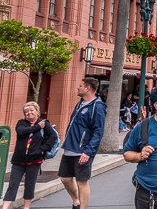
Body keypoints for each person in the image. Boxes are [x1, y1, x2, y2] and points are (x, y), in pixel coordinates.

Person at [59, 77, 106, 209]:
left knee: (81, 181)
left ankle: (82, 207)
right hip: (69, 148)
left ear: (87, 88)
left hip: (83, 150)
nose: (77, 88)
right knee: (65, 178)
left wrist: (88, 151)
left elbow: (98, 131)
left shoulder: (98, 106)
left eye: (80, 85)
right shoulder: (80, 103)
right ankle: (76, 202)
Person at [2, 102, 57, 209]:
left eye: (31, 110)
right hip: (19, 160)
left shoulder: (44, 123)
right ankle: (5, 207)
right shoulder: (21, 123)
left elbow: (53, 137)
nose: (29, 113)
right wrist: (36, 127)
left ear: (37, 111)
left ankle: (26, 207)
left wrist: (43, 149)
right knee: (13, 184)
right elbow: (21, 132)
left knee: (30, 185)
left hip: (35, 159)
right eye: (26, 111)